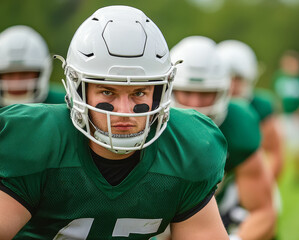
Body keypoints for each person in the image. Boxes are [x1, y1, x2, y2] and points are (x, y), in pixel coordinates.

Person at [0, 6, 229, 240]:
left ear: (160, 93)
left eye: (139, 93)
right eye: (107, 92)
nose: (124, 111)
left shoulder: (185, 148)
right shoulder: (37, 141)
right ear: (79, 91)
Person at [171, 36, 276, 240]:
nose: (195, 104)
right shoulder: (147, 125)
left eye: (206, 94)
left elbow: (263, 211)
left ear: (224, 91)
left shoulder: (237, 123)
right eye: (186, 92)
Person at [217, 39, 284, 181]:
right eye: (228, 77)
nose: (232, 84)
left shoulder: (261, 107)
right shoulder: (203, 104)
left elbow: (274, 154)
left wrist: (260, 183)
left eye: (238, 79)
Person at [272, 50, 299, 185]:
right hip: (283, 116)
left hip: (297, 117)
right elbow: (278, 98)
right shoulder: (279, 78)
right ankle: (278, 174)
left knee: (298, 148)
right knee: (280, 147)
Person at [0, 25, 65, 107]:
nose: (17, 83)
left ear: (41, 73)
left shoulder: (65, 102)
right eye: (9, 74)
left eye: (24, 74)